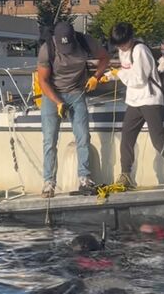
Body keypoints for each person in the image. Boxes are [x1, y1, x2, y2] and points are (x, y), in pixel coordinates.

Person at [108, 22, 164, 190]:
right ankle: (126, 175)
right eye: (118, 44)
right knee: (127, 138)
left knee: (158, 141)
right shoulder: (122, 51)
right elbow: (127, 73)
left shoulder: (140, 51)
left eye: (123, 43)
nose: (121, 48)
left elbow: (139, 80)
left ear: (130, 39)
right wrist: (109, 76)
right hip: (134, 101)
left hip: (150, 99)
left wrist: (119, 74)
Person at [37, 21, 111, 197]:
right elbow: (43, 82)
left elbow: (105, 58)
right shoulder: (47, 49)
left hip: (77, 93)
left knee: (83, 136)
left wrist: (96, 77)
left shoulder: (85, 42)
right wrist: (58, 102)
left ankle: (85, 178)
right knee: (49, 140)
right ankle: (49, 182)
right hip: (52, 95)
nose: (67, 49)